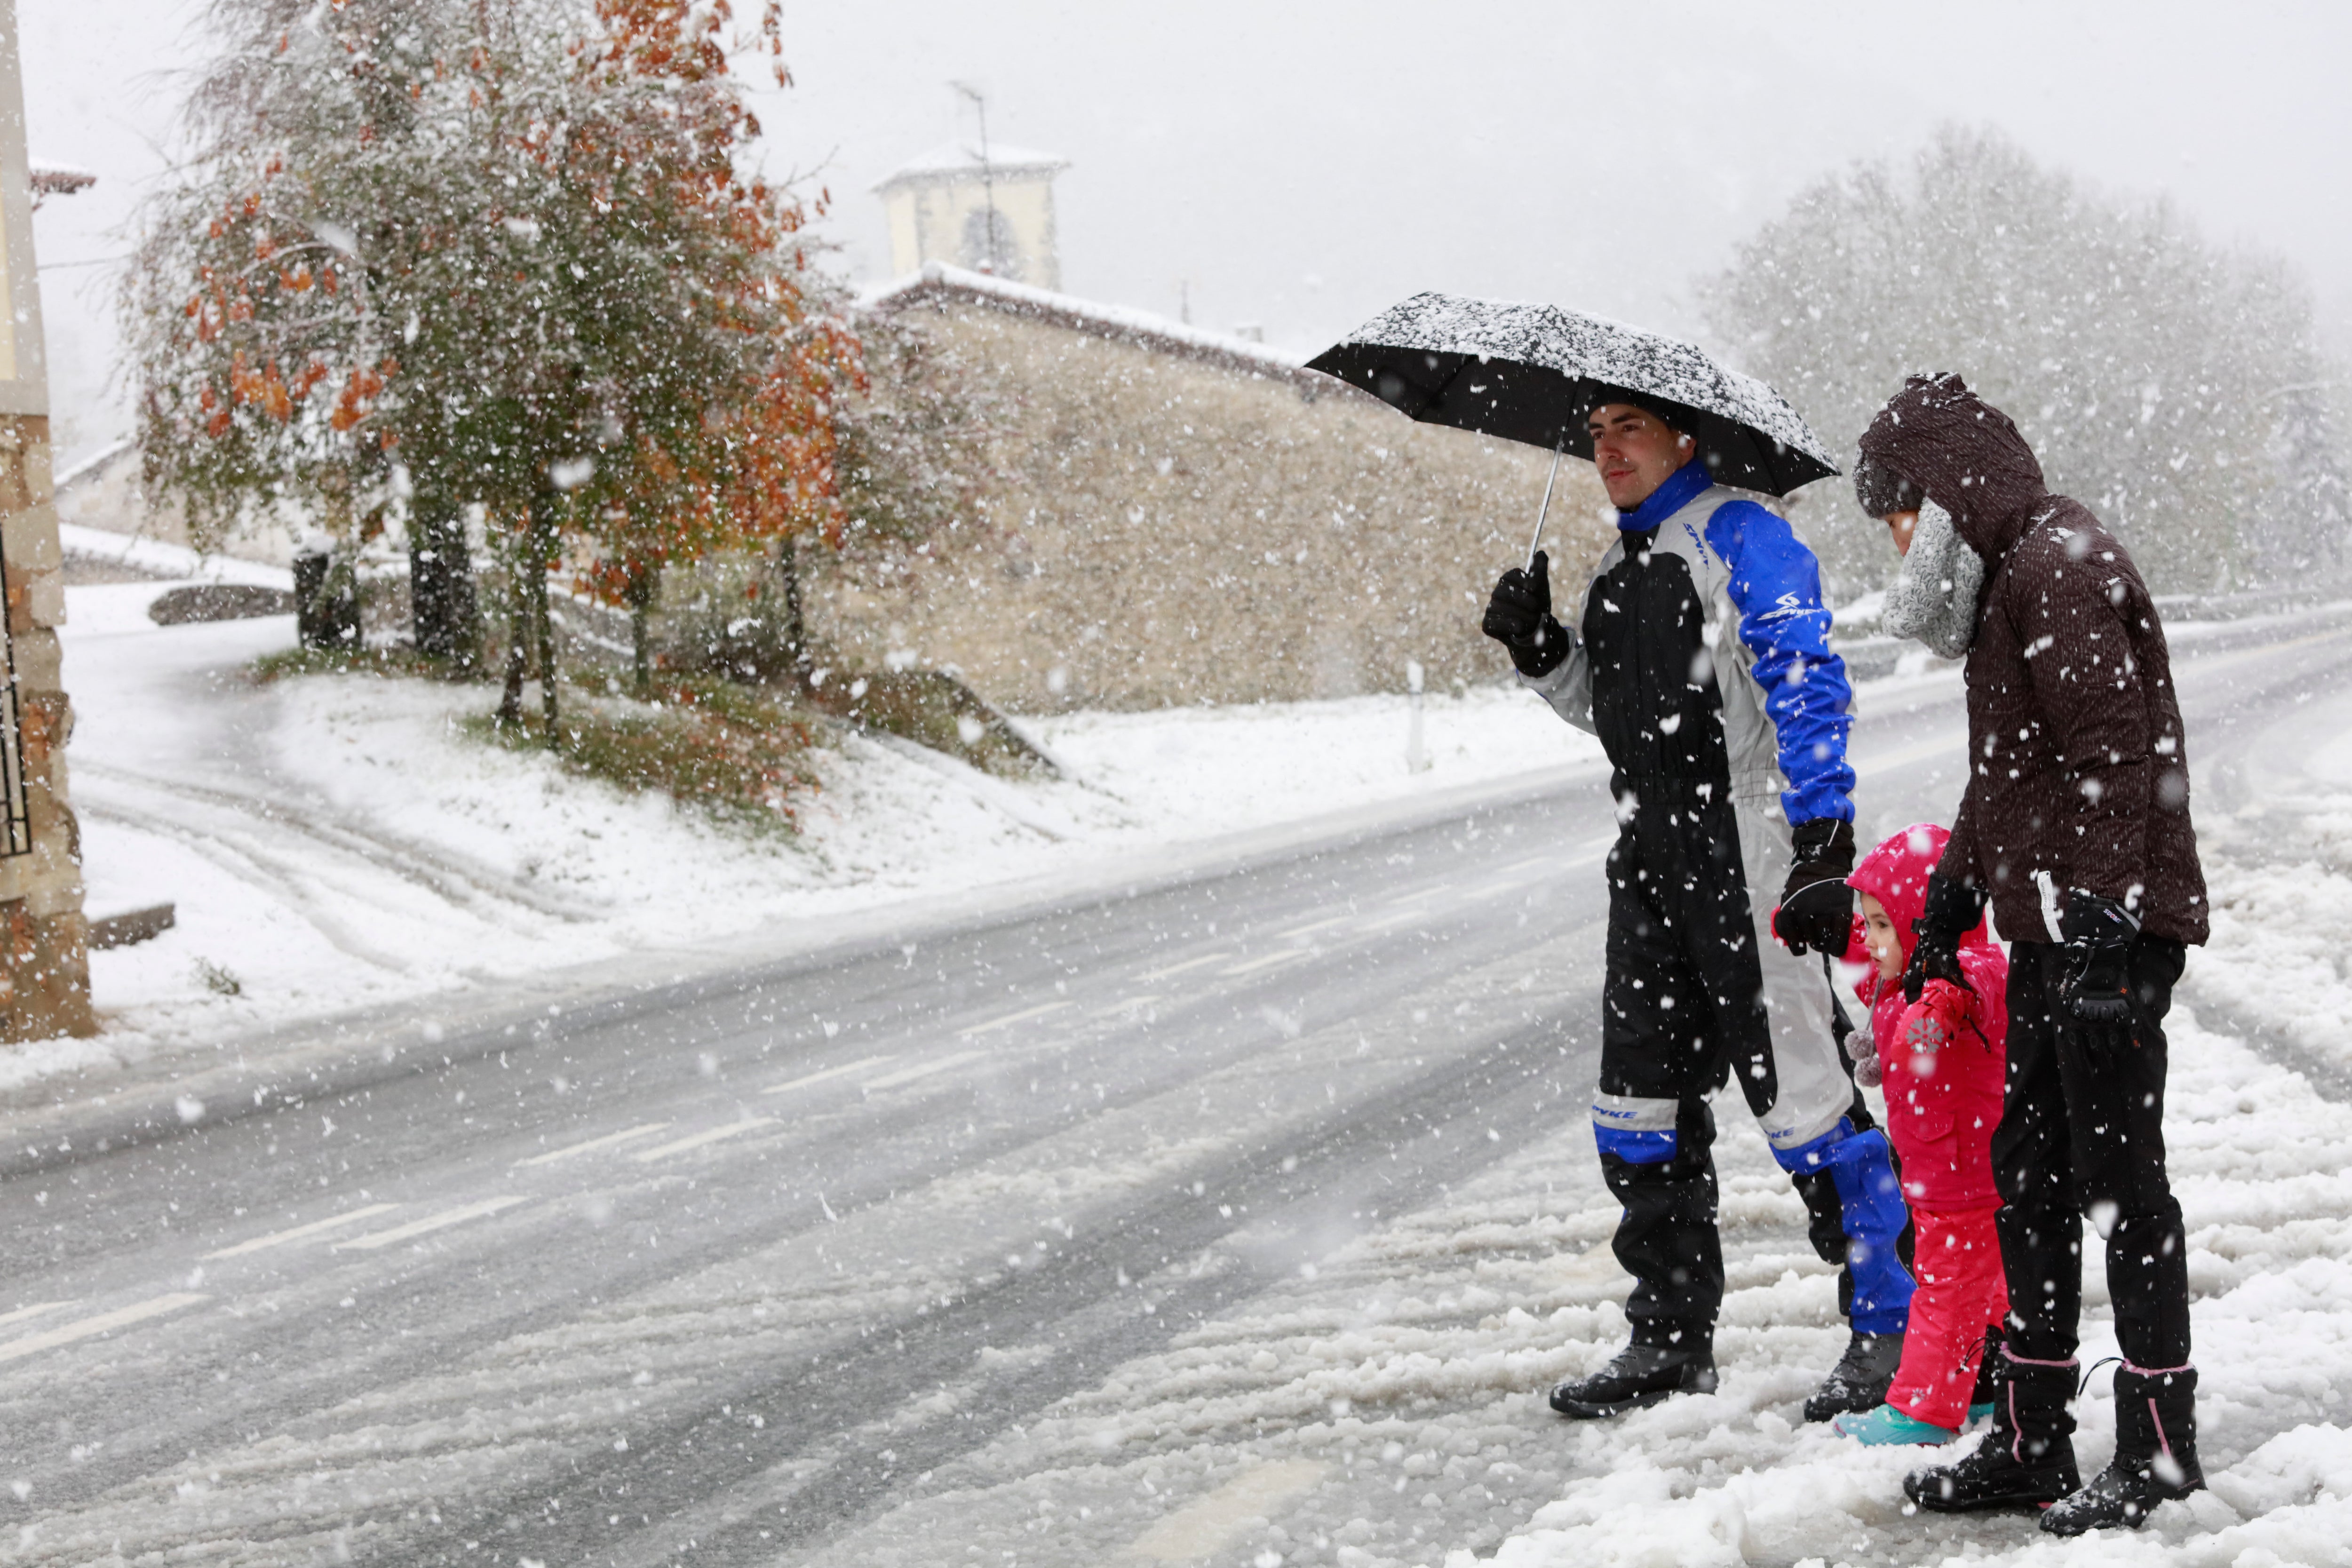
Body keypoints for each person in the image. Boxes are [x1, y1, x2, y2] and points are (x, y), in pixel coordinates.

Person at [1483, 392, 1913, 1423]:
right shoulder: (1619, 565)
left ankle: (1895, 1323)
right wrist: (1545, 652)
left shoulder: (1741, 534)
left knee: (1805, 1095)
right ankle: (1669, 1338)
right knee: (1638, 1106)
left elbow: (1804, 681)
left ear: (1684, 437)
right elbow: (1618, 715)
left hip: (1748, 848)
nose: (1604, 450)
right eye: (1591, 434)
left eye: (1625, 428)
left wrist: (1821, 839)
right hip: (1648, 857)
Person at [1853, 373, 2208, 1535]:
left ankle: (2157, 1448)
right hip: (2056, 932)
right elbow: (2010, 774)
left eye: (1899, 518)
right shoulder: (2015, 575)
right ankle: (2032, 1437)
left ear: (1945, 496)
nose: (1900, 547)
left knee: (2121, 1187)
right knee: (2032, 1179)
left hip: (2102, 937)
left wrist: (2105, 929)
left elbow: (2109, 750)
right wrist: (1957, 892)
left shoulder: (2053, 567)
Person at [1831, 822, 2010, 1447]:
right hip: (1946, 1169)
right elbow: (1869, 959)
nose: (1875, 941)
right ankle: (1992, 1385)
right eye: (1871, 925)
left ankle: (1925, 1409)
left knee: (1945, 1289)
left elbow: (1960, 1000)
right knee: (1982, 1290)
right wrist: (1823, 922)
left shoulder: (1963, 972)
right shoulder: (1898, 972)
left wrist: (1934, 1009)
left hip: (1964, 1172)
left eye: (1885, 924)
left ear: (1921, 918)